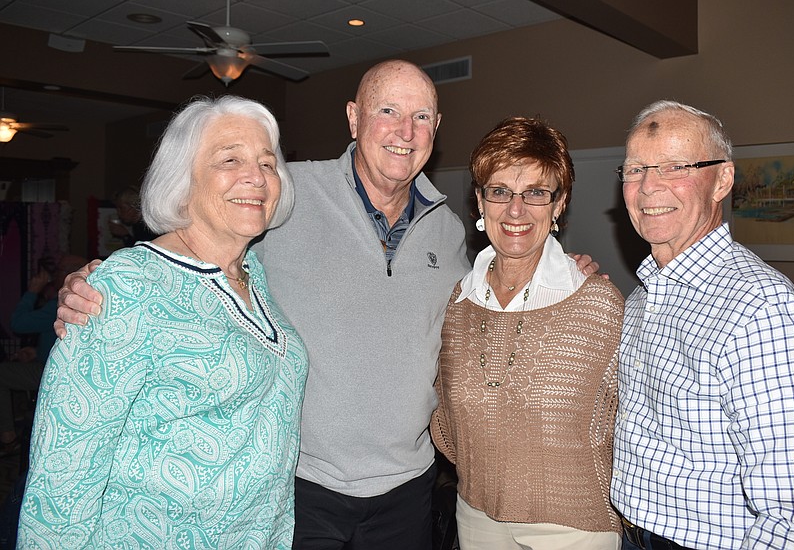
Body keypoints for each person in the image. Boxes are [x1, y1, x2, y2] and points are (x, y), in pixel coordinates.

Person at [53, 60, 599, 549]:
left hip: (408, 487)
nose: (405, 132)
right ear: (354, 118)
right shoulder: (284, 194)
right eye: (387, 111)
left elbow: (490, 298)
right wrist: (107, 278)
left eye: (421, 117)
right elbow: (204, 245)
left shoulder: (450, 230)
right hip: (298, 484)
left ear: (436, 129)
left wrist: (559, 270)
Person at [18, 95, 308, 548]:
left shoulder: (254, 275)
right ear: (182, 180)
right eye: (230, 159)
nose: (256, 177)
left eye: (268, 164)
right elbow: (64, 472)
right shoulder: (128, 285)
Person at [610, 100, 794, 549]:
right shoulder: (643, 295)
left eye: (675, 166)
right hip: (630, 533)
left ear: (723, 180)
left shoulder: (760, 308)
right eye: (635, 170)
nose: (649, 186)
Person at [430, 117, 623, 549]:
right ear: (480, 201)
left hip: (573, 525)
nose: (515, 210)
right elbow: (445, 417)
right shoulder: (458, 303)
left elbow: (627, 421)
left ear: (559, 204)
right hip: (476, 514)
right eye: (500, 191)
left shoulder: (596, 304)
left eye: (536, 192)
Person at [0, 254, 87, 457]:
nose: (52, 276)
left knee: (2, 373)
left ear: (69, 274)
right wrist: (35, 351)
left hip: (55, 373)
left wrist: (32, 291)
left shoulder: (62, 302)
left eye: (57, 271)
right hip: (70, 369)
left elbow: (18, 324)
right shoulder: (83, 298)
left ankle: (8, 437)